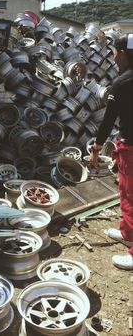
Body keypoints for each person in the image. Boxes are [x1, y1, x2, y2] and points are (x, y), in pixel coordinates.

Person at [90, 33, 133, 270]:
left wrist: (97, 145)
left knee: (131, 197)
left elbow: (108, 120)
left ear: (123, 54)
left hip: (132, 148)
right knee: (127, 194)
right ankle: (128, 232)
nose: (113, 56)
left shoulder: (123, 83)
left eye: (115, 52)